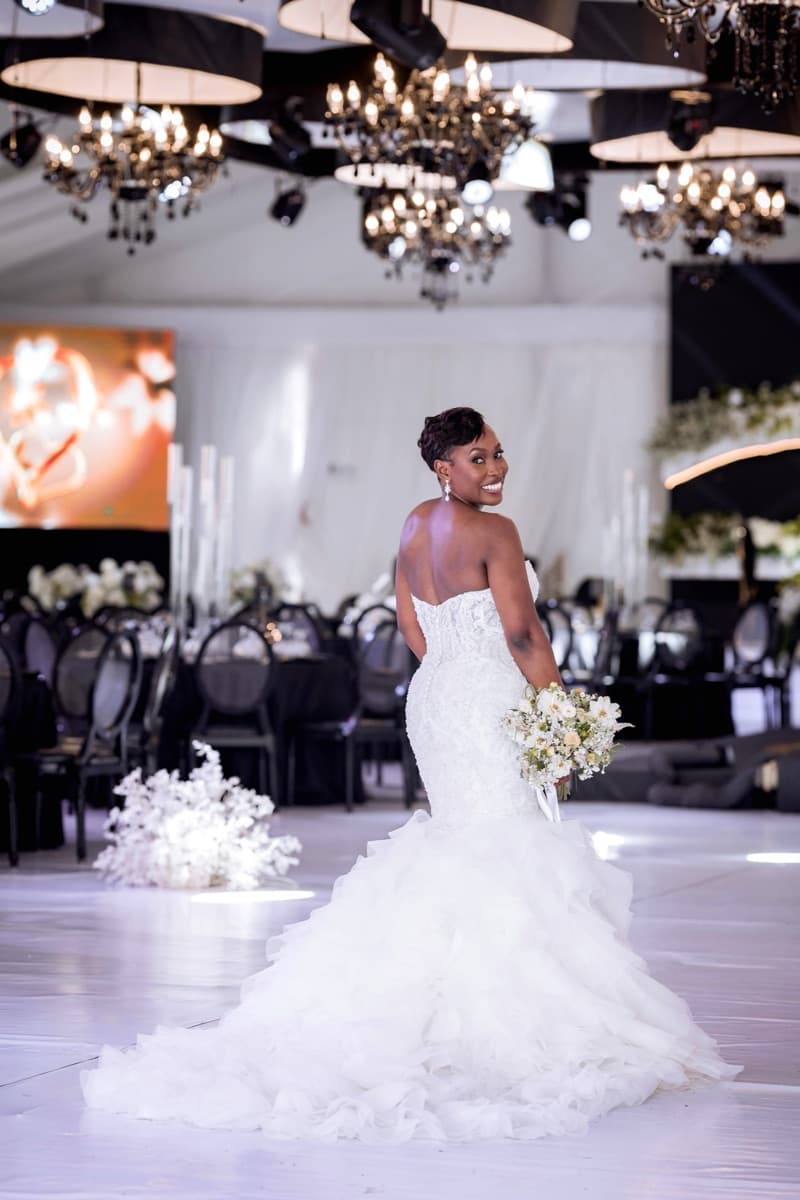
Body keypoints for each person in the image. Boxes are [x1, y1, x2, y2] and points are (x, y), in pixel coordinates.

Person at [83, 407, 738, 1141]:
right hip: (488, 698)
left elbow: (413, 626)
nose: (495, 469)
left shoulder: (414, 523)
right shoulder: (496, 532)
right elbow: (523, 633)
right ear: (443, 468)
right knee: (504, 842)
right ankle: (499, 1021)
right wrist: (561, 718)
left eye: (497, 454)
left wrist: (456, 677)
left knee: (464, 837)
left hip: (438, 698)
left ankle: (434, 1006)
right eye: (477, 459)